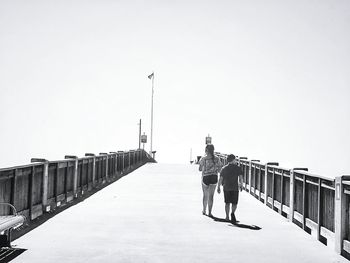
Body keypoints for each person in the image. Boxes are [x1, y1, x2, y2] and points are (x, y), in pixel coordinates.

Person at [217, 154, 243, 223]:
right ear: (233, 160)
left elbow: (221, 179)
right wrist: (241, 185)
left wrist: (218, 187)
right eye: (235, 159)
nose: (236, 161)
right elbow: (240, 178)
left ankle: (227, 216)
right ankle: (232, 213)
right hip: (235, 188)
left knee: (227, 203)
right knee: (234, 203)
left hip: (226, 188)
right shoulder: (238, 168)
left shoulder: (224, 168)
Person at [198, 144, 222, 217]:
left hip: (205, 177)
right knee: (211, 196)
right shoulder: (217, 158)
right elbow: (220, 169)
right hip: (214, 177)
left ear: (206, 149)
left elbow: (199, 169)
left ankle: (204, 210)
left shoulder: (203, 158)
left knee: (205, 195)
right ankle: (210, 212)